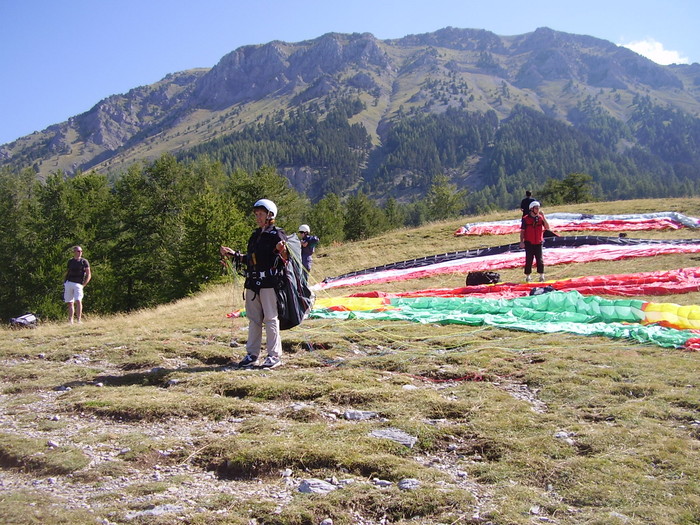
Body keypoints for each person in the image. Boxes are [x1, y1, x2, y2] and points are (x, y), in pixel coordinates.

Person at [220, 199, 287, 369]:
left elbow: (286, 259)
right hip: (253, 282)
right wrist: (233, 255)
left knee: (271, 319)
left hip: (269, 282)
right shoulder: (255, 235)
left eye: (261, 214)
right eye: (256, 214)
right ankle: (252, 354)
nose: (258, 217)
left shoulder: (277, 234)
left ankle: (274, 355)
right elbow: (250, 259)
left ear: (270, 215)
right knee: (254, 319)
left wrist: (282, 250)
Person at [519, 201, 550, 283]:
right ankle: (528, 276)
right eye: (536, 208)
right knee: (529, 259)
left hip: (539, 242)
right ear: (532, 209)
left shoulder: (540, 218)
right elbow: (522, 231)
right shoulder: (526, 219)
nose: (538, 209)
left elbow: (547, 227)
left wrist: (544, 217)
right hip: (529, 242)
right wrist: (521, 241)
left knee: (540, 260)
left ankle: (541, 276)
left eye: (538, 208)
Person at [64, 245, 91, 324]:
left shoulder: (84, 261)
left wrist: (84, 284)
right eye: (78, 251)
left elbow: (88, 274)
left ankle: (79, 319)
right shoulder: (70, 261)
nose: (80, 253)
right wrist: (65, 282)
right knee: (70, 302)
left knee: (78, 301)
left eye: (81, 251)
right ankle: (70, 320)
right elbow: (68, 271)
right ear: (74, 252)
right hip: (69, 282)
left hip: (78, 283)